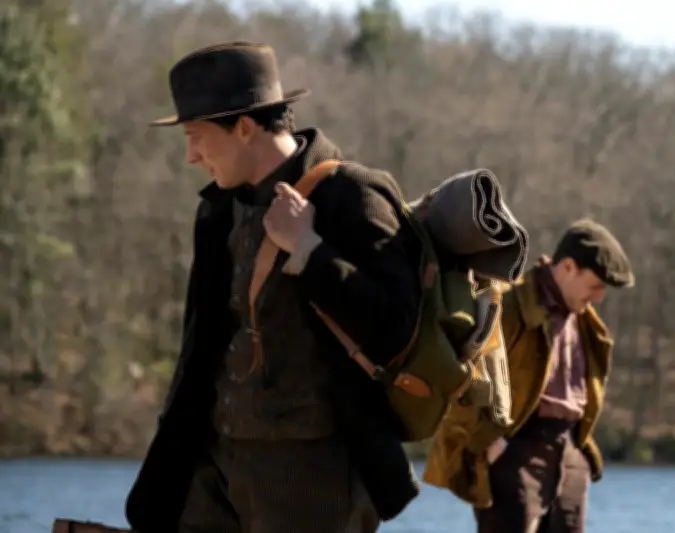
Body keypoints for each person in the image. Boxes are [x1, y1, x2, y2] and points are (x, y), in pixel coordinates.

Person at [124, 41, 422, 533]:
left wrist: (309, 250)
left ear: (245, 128)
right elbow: (201, 342)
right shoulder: (217, 209)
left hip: (312, 472)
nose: (190, 156)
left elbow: (396, 328)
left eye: (196, 137)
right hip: (210, 462)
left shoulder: (352, 194)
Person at [423, 218, 635, 533]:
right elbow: (464, 378)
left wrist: (578, 453)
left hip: (569, 449)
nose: (599, 297)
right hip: (516, 448)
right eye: (595, 286)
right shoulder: (509, 306)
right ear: (568, 267)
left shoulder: (586, 319)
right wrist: (490, 447)